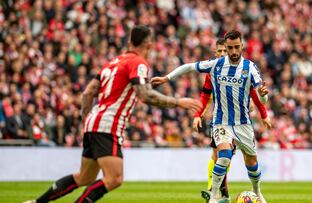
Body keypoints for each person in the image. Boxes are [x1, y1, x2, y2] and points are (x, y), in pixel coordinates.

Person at [23, 25, 202, 203]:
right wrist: (179, 102)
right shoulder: (138, 63)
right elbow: (145, 95)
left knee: (84, 177)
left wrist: (88, 120)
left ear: (130, 41)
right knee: (114, 178)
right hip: (108, 124)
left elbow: (88, 92)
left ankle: (37, 202)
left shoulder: (113, 62)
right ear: (148, 45)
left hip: (95, 121)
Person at [151, 30, 268, 203]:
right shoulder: (216, 64)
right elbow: (189, 66)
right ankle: (213, 197)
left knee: (251, 161)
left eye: (237, 47)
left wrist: (263, 95)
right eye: (230, 48)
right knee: (224, 155)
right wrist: (167, 78)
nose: (234, 52)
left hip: (243, 123)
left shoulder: (250, 68)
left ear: (242, 46)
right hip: (221, 122)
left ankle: (257, 191)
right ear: (225, 48)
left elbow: (262, 98)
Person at [192, 39, 271, 203]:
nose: (223, 54)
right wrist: (198, 114)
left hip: (241, 121)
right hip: (221, 121)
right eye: (219, 51)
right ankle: (219, 193)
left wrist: (263, 113)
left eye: (224, 51)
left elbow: (255, 94)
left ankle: (226, 194)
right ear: (215, 53)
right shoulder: (213, 70)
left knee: (243, 158)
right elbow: (205, 95)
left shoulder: (243, 69)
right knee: (220, 155)